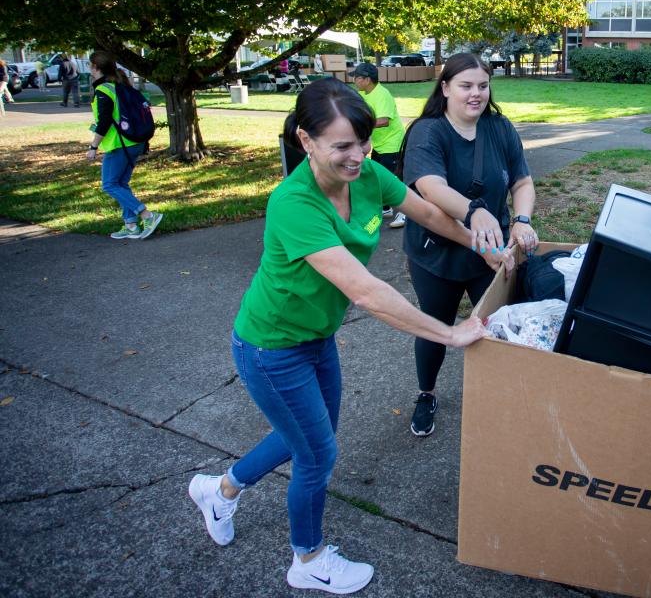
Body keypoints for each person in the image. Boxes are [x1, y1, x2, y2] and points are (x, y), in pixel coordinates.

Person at [188, 78, 511, 594]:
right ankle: (307, 558)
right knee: (316, 454)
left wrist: (481, 245)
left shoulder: (367, 176)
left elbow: (428, 212)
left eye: (362, 142)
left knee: (307, 439)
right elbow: (364, 291)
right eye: (341, 145)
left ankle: (221, 489)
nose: (357, 155)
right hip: (270, 348)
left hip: (316, 339)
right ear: (305, 141)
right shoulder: (294, 204)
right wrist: (448, 334)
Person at [398, 52, 539, 437]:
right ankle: (426, 394)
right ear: (445, 89)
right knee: (436, 325)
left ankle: (501, 395)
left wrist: (522, 220)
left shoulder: (499, 127)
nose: (475, 94)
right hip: (437, 252)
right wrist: (475, 210)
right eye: (465, 86)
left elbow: (522, 182)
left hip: (491, 254)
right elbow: (431, 188)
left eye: (482, 85)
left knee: (498, 325)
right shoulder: (428, 132)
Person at [86, 51, 163, 240]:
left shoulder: (104, 90)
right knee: (121, 183)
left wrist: (93, 146)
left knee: (109, 184)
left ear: (95, 67)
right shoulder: (117, 86)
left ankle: (147, 215)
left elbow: (104, 122)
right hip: (134, 142)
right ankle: (130, 225)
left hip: (120, 144)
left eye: (90, 65)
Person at [348, 62, 406, 228]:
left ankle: (405, 213)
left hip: (392, 144)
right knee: (377, 178)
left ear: (367, 79)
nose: (354, 81)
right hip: (380, 145)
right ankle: (386, 208)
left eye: (357, 78)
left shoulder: (381, 94)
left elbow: (383, 121)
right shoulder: (366, 94)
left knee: (395, 179)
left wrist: (361, 124)